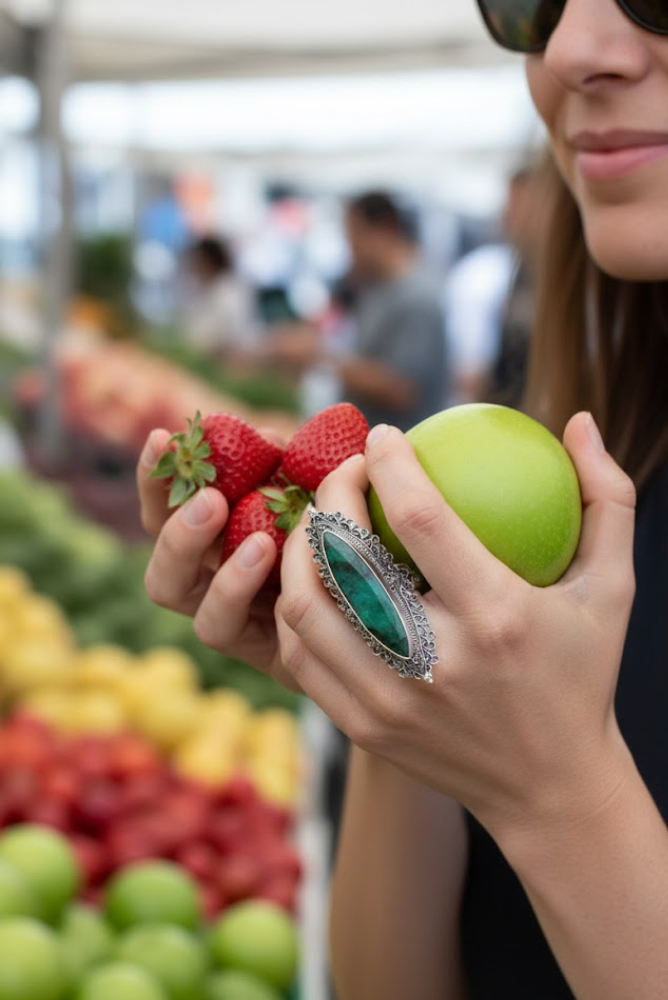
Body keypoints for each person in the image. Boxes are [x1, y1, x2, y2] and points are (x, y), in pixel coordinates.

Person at [137, 2, 668, 998]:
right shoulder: (583, 456)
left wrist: (557, 793)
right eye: (532, 1)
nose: (568, 49)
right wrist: (391, 681)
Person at [265, 191, 449, 430]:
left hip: (404, 447)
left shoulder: (418, 298)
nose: (350, 247)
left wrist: (319, 356)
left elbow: (403, 392)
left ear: (385, 228)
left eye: (354, 235)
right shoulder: (373, 286)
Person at [183, 236, 257, 358]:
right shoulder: (207, 288)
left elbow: (233, 337)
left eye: (197, 262)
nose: (194, 268)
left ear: (207, 261)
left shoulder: (230, 292)